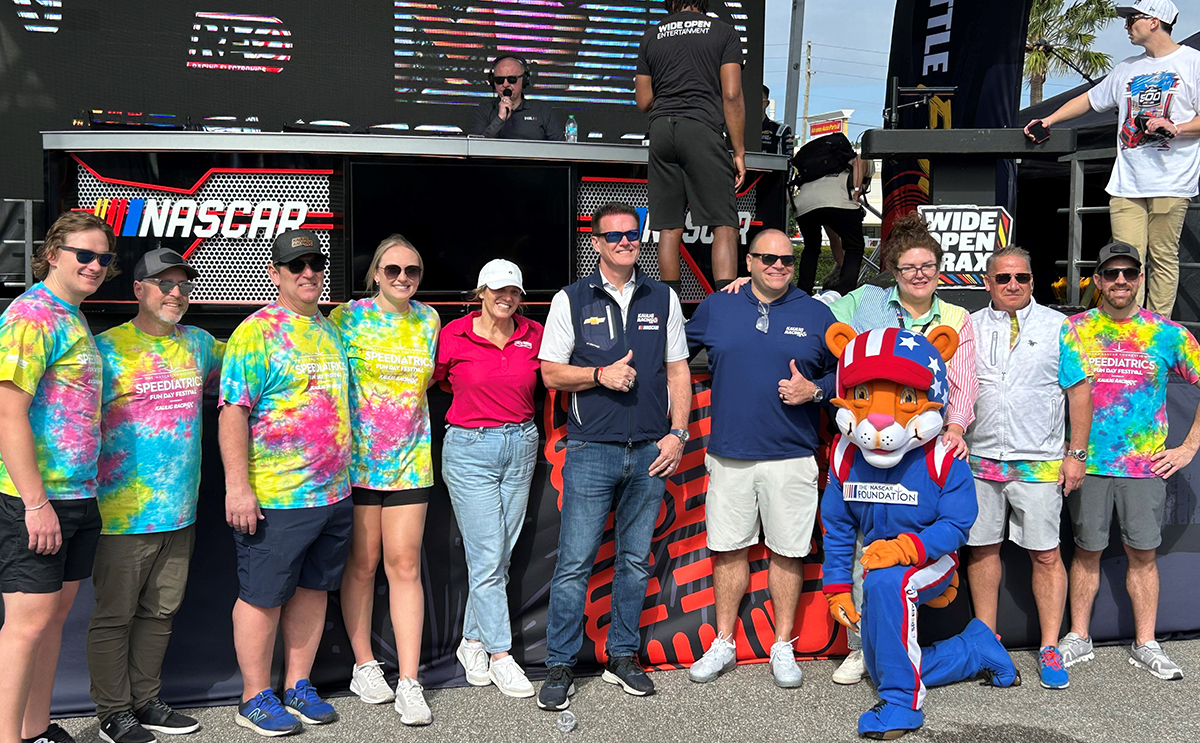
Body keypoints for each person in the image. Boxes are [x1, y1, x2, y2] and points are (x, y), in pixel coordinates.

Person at [821, 322, 1020, 739]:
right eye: (862, 396)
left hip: (931, 559)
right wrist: (838, 584)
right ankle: (975, 648)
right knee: (878, 662)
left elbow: (957, 525)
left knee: (889, 583)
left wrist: (908, 548)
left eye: (905, 398)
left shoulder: (944, 453)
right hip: (876, 562)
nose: (878, 419)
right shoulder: (845, 451)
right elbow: (838, 524)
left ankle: (902, 705)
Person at [535, 202, 691, 711]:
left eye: (632, 234)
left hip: (651, 450)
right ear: (597, 243)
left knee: (633, 562)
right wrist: (599, 376)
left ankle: (622, 657)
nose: (626, 241)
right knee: (575, 565)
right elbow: (551, 374)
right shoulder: (570, 299)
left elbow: (678, 373)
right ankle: (558, 664)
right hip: (590, 452)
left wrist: (678, 434)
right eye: (614, 235)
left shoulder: (663, 297)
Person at [825, 213, 978, 684]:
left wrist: (955, 428)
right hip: (869, 442)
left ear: (939, 267)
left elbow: (964, 381)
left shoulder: (956, 317)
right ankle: (861, 644)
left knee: (916, 542)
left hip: (922, 442)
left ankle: (908, 643)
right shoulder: (866, 302)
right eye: (909, 266)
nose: (919, 274)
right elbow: (820, 314)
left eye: (927, 265)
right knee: (860, 543)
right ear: (892, 268)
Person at [684, 229, 837, 688]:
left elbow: (847, 374)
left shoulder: (816, 313)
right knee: (728, 548)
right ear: (748, 261)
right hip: (729, 453)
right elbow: (675, 356)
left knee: (788, 551)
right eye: (768, 258)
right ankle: (724, 641)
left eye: (787, 260)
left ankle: (783, 644)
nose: (778, 266)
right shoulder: (718, 305)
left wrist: (816, 390)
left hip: (792, 455)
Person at [219, 229, 352, 737]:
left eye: (315, 265)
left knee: (314, 590)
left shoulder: (329, 326)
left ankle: (298, 684)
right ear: (274, 273)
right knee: (262, 596)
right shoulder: (257, 331)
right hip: (277, 496)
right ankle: (254, 696)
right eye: (295, 265)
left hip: (333, 493)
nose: (308, 274)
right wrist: (238, 486)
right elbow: (233, 411)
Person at [88, 249, 222, 743]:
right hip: (120, 516)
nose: (175, 293)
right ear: (137, 290)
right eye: (163, 284)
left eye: (183, 285)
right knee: (114, 617)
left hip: (181, 512)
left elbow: (250, 367)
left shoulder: (201, 345)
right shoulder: (105, 350)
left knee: (160, 613)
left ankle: (146, 702)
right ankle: (113, 713)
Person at [1057, 239, 1200, 680]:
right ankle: (1078, 637)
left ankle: (1146, 643)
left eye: (1129, 273)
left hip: (1143, 468)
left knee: (1143, 555)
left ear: (1139, 279)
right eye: (1111, 274)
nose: (1120, 281)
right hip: (1089, 465)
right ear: (1097, 280)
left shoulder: (1168, 332)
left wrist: (1189, 447)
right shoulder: (1074, 329)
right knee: (1086, 552)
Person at [0, 212, 112, 743]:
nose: (94, 265)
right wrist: (35, 503)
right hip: (36, 499)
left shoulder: (72, 315)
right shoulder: (32, 316)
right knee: (26, 626)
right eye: (83, 255)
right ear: (52, 254)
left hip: (78, 494)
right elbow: (6, 413)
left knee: (52, 620)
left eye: (103, 258)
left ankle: (36, 729)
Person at [962, 246, 1092, 691]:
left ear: (1033, 281)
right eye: (1003, 279)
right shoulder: (970, 327)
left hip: (1039, 463)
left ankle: (1051, 646)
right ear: (987, 283)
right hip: (978, 460)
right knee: (981, 549)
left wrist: (1076, 456)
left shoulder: (1060, 327)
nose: (1013, 285)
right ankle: (987, 641)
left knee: (1045, 554)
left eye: (1021, 277)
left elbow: (1079, 395)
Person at [1025, 0, 1200, 316]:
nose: (1126, 25)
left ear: (1154, 21)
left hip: (1171, 179)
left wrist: (1175, 127)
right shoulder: (1127, 68)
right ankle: (1128, 325)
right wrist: (1049, 120)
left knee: (1162, 256)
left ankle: (1157, 328)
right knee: (1126, 259)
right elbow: (1090, 101)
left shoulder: (1192, 63)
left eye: (1132, 18)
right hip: (1126, 181)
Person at [329, 235, 440, 725]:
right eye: (392, 269)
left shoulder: (429, 319)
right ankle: (364, 664)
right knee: (363, 563)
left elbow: (431, 380)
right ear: (375, 272)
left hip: (410, 462)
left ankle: (410, 682)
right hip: (355, 464)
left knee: (405, 565)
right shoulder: (345, 318)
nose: (403, 278)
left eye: (412, 271)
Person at [434, 259, 544, 700]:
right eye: (498, 290)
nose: (507, 298)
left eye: (514, 292)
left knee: (500, 552)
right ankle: (502, 655)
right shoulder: (452, 334)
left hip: (521, 444)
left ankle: (472, 641)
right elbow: (440, 382)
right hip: (469, 449)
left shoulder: (533, 334)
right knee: (486, 555)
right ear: (481, 291)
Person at [635, 0, 746, 293]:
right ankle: (725, 307)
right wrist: (739, 151)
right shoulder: (724, 32)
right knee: (724, 223)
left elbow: (644, 101)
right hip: (701, 128)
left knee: (669, 228)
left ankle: (672, 312)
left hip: (660, 131)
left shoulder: (652, 35)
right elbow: (732, 95)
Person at [792, 135, 874, 296]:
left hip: (803, 203)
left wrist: (843, 267)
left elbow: (834, 240)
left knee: (811, 248)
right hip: (841, 202)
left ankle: (802, 292)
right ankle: (846, 292)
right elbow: (860, 162)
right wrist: (856, 193)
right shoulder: (862, 158)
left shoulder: (825, 170)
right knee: (855, 246)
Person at [469, 56, 565, 141]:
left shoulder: (542, 111)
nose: (505, 84)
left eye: (512, 79)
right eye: (499, 80)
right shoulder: (483, 111)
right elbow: (476, 147)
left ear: (524, 80)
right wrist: (499, 119)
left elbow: (561, 148)